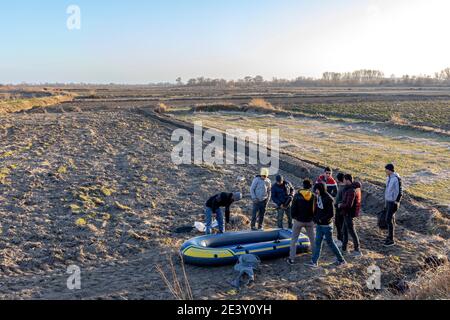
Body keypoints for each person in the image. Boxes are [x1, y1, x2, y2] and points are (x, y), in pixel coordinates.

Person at [304, 182, 346, 268]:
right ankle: (314, 262)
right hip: (319, 225)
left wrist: (321, 219)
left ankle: (341, 260)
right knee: (318, 243)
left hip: (327, 226)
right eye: (315, 189)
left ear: (321, 189)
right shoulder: (318, 197)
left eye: (317, 189)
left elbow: (331, 214)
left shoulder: (328, 199)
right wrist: (315, 218)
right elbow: (318, 210)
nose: (316, 191)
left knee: (330, 243)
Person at [287, 179, 316, 265]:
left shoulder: (297, 195)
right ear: (310, 187)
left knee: (294, 240)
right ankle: (314, 257)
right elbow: (315, 209)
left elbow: (293, 208)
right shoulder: (313, 196)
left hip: (298, 221)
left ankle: (291, 259)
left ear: (303, 185)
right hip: (310, 221)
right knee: (312, 240)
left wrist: (293, 217)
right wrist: (314, 219)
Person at [339, 174, 362, 257]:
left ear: (348, 180)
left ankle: (357, 250)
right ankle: (344, 249)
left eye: (344, 179)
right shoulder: (349, 189)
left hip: (348, 214)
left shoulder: (351, 190)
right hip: (346, 214)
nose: (343, 181)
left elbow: (349, 205)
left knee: (352, 232)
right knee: (344, 231)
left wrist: (340, 205)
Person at [384, 164, 403, 247]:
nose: (385, 171)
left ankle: (391, 240)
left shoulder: (396, 179)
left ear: (390, 170)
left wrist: (396, 201)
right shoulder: (388, 177)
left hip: (393, 202)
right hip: (388, 201)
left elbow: (400, 191)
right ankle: (390, 236)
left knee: (388, 220)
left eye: (386, 170)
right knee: (390, 219)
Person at [334, 172, 346, 247]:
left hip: (340, 209)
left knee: (339, 224)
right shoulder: (341, 186)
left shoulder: (343, 188)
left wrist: (338, 204)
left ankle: (341, 240)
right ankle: (340, 239)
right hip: (338, 208)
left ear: (338, 179)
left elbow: (343, 199)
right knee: (338, 224)